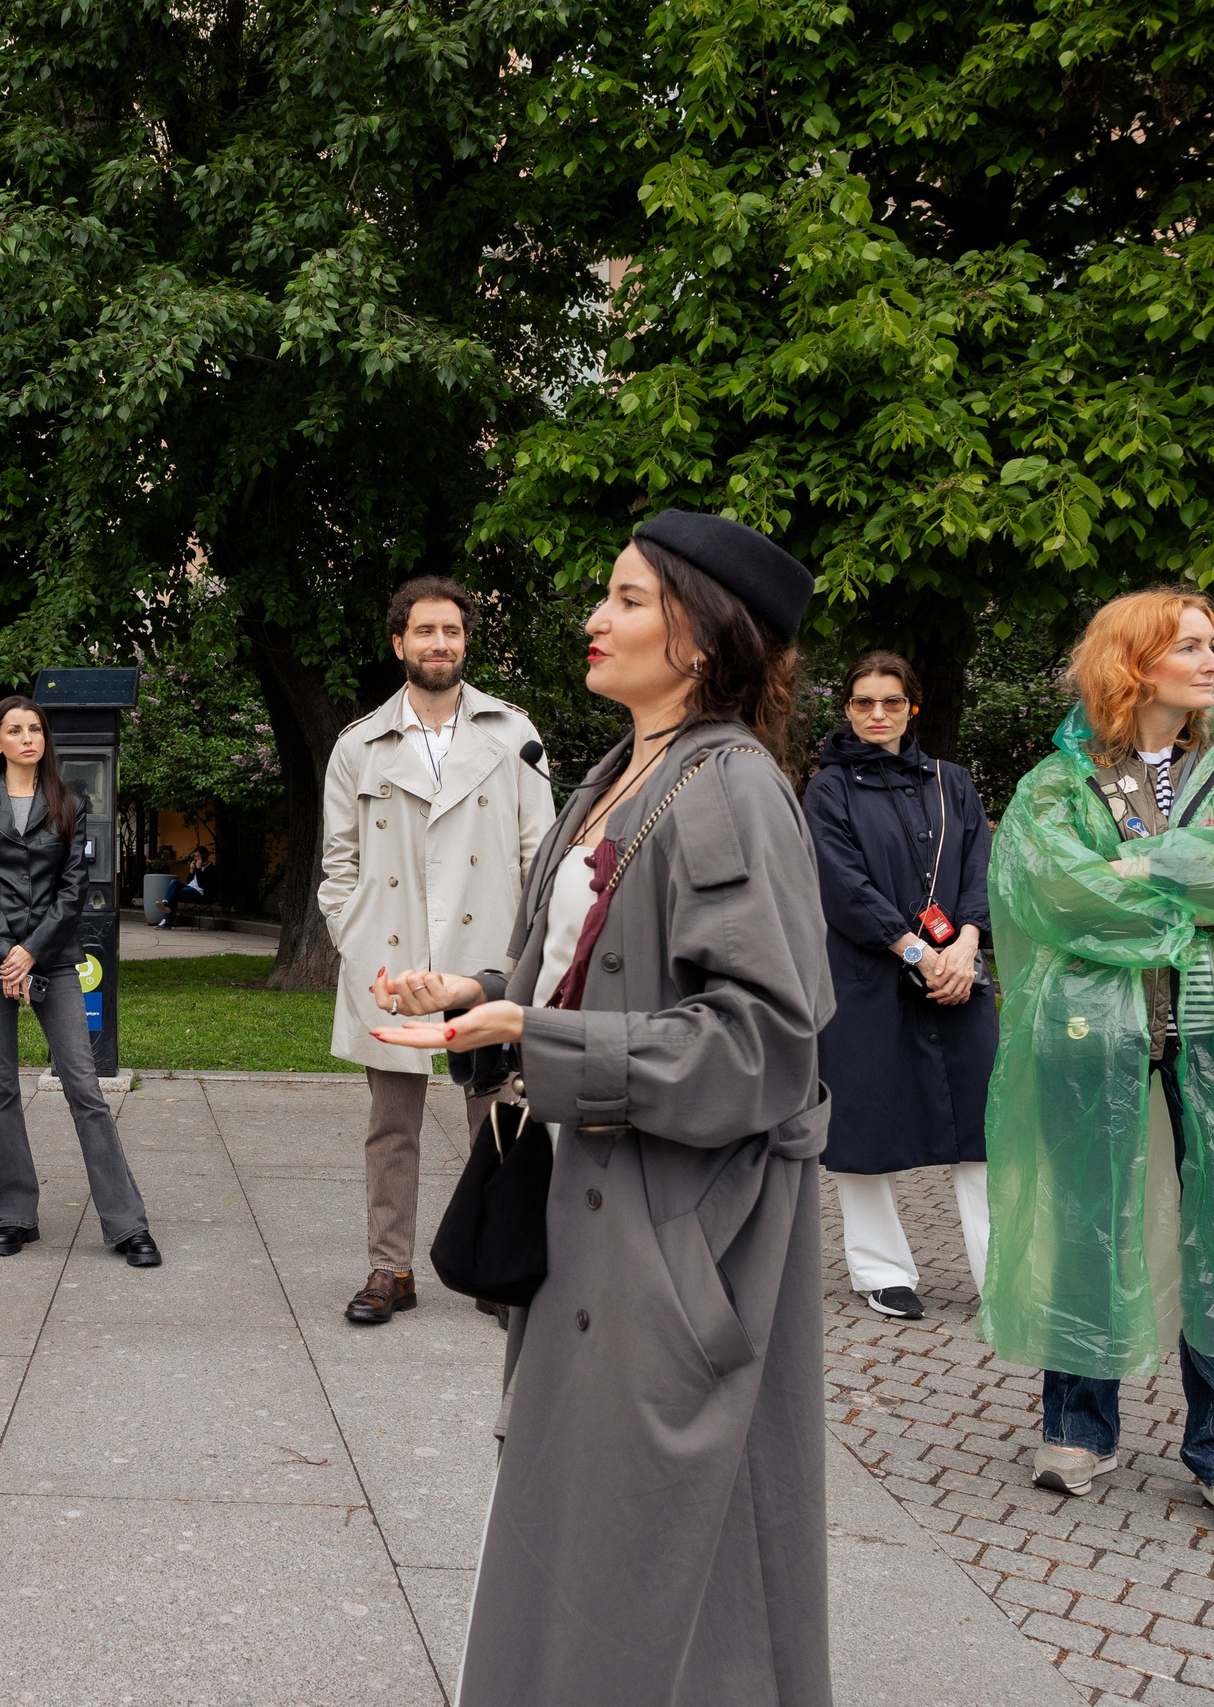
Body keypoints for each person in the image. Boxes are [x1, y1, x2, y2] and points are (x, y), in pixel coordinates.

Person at [371, 511, 834, 1706]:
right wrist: (479, 998)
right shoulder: (616, 777)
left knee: (675, 1567)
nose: (596, 619)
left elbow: (764, 1045)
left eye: (627, 600)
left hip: (676, 1233)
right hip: (603, 1219)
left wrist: (536, 1034)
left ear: (700, 634)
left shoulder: (729, 789)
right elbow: (575, 976)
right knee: (588, 1541)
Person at [981, 588, 1214, 1546]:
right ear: (1133, 664)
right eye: (1192, 645)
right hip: (1094, 1039)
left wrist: (1137, 870)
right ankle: (1076, 1425)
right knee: (1082, 1220)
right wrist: (1191, 875)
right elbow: (1052, 888)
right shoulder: (1055, 783)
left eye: (1211, 645)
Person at [318, 574, 553, 1326]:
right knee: (391, 1128)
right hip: (391, 968)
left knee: (500, 1118)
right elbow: (338, 870)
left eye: (451, 630)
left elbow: (538, 860)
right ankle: (390, 1268)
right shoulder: (358, 745)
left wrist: (519, 969)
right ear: (399, 643)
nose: (439, 643)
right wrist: (359, 951)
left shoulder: (515, 733)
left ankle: (496, 1265)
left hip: (483, 968)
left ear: (465, 639)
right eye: (425, 631)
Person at [804, 650, 997, 1320]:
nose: (878, 714)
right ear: (848, 709)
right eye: (864, 702)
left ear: (913, 705)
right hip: (866, 977)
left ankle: (1001, 1273)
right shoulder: (828, 789)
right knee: (866, 1125)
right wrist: (917, 950)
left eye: (891, 701)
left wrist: (967, 943)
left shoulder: (954, 782)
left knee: (983, 1122)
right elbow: (841, 882)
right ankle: (881, 1269)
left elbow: (980, 866)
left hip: (960, 973)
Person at [0, 695, 160, 1266]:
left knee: (84, 1087)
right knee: (1, 1088)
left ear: (45, 740)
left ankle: (126, 1225)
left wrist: (30, 952)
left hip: (53, 955)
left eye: (35, 729)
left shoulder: (70, 803)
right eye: (14, 730)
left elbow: (74, 892)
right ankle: (14, 1216)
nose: (26, 738)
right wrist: (6, 954)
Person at [152, 847, 213, 928]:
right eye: (194, 856)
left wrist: (198, 869)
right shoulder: (197, 865)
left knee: (174, 893)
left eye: (197, 856)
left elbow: (201, 884)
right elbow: (189, 882)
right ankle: (165, 902)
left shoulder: (211, 868)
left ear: (204, 856)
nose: (195, 859)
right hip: (189, 888)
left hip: (200, 893)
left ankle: (166, 921)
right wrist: (191, 870)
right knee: (174, 882)